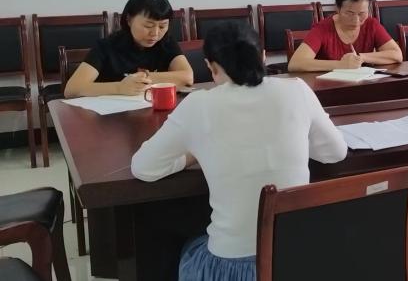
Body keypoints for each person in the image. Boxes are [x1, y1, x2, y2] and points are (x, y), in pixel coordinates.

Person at [131, 22, 348, 281]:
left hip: (229, 269)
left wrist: (192, 155)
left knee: (171, 236)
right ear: (263, 56)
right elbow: (336, 152)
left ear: (211, 67)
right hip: (294, 261)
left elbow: (143, 168)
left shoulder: (199, 105)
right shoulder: (297, 90)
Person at [65, 0, 193, 97]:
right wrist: (120, 87)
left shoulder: (166, 42)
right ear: (129, 20)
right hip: (112, 114)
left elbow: (187, 78)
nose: (155, 33)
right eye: (148, 26)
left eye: (162, 26)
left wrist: (142, 77)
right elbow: (72, 89)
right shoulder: (106, 46)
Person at [288, 0, 403, 71]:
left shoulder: (371, 24)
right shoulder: (323, 29)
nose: (356, 21)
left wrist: (361, 57)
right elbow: (295, 63)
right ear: (337, 8)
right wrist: (340, 65)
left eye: (362, 13)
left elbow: (397, 55)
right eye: (349, 13)